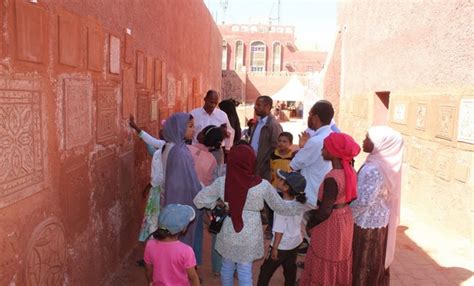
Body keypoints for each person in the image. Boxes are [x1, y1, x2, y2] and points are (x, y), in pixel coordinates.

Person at [193, 144, 303, 286]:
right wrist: (300, 204)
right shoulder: (263, 185)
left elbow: (199, 200)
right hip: (250, 231)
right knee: (245, 270)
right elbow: (281, 207)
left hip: (229, 229)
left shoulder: (222, 182)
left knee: (226, 266)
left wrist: (217, 205)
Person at [300, 132, 361, 285]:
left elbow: (325, 211)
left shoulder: (332, 178)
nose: (322, 151)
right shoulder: (350, 171)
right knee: (338, 257)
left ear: (334, 153)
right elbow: (351, 197)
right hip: (344, 218)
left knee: (325, 257)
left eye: (325, 148)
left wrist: (310, 224)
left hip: (331, 223)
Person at [351, 126, 404, 286]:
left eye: (368, 138)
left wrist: (347, 214)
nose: (363, 140)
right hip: (378, 220)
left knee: (364, 263)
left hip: (366, 224)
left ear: (381, 144)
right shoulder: (382, 165)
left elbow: (364, 201)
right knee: (373, 262)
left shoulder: (374, 169)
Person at [290, 100, 334, 250]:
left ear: (316, 117)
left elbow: (294, 164)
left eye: (309, 114)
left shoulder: (315, 141)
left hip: (310, 194)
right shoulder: (332, 135)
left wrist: (302, 147)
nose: (309, 118)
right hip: (322, 192)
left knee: (305, 231)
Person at [162, 113, 202, 258]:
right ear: (179, 128)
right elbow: (185, 181)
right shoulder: (180, 152)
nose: (194, 130)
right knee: (180, 241)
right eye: (190, 126)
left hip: (181, 199)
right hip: (182, 199)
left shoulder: (180, 149)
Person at [257, 170, 307, 286]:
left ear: (286, 187)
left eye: (281, 180)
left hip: (281, 245)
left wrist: (274, 248)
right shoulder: (300, 202)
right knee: (290, 269)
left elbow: (279, 230)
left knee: (265, 271)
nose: (278, 180)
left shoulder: (281, 207)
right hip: (295, 242)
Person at [187, 124, 224, 274]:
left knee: (186, 231)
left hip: (183, 195)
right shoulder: (212, 159)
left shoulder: (187, 149)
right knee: (202, 231)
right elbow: (214, 182)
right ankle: (201, 266)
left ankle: (184, 265)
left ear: (202, 136)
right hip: (202, 198)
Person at [250, 95, 283, 239]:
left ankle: (271, 226)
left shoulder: (273, 125)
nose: (255, 107)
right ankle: (263, 220)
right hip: (256, 165)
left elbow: (277, 147)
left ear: (268, 107)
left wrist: (266, 163)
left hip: (266, 167)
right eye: (256, 104)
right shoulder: (259, 122)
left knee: (269, 197)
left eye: (259, 105)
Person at [129, 115, 166, 242]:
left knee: (153, 219)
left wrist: (147, 188)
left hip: (158, 189)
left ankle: (153, 251)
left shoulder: (166, 149)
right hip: (160, 189)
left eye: (164, 130)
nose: (160, 131)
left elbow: (159, 177)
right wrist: (135, 126)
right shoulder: (164, 145)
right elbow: (150, 140)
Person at [144, 204, 200, 286]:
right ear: (183, 229)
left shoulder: (150, 244)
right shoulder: (186, 251)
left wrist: (150, 282)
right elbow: (193, 277)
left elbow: (148, 269)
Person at [190, 90, 232, 158]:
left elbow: (229, 132)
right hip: (197, 152)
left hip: (216, 153)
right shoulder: (194, 114)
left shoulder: (222, 115)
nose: (213, 105)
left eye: (216, 103)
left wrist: (227, 148)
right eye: (211, 102)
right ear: (205, 99)